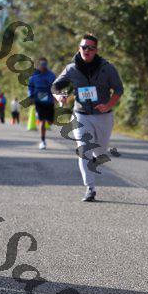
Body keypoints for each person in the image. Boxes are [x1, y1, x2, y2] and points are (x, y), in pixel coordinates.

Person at [51, 33, 124, 202]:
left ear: (96, 50)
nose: (87, 50)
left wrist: (108, 105)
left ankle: (97, 156)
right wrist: (59, 96)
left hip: (103, 116)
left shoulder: (107, 67)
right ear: (79, 48)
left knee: (100, 152)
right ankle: (90, 188)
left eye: (91, 48)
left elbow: (119, 89)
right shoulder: (71, 69)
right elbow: (55, 86)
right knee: (84, 150)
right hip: (81, 115)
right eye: (84, 47)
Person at [28, 58, 56, 149]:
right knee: (42, 120)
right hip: (38, 100)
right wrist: (31, 96)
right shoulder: (34, 76)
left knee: (50, 122)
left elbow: (55, 86)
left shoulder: (51, 75)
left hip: (49, 100)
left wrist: (56, 96)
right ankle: (43, 141)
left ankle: (47, 120)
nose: (43, 67)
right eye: (41, 65)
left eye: (45, 65)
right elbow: (30, 87)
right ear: (38, 65)